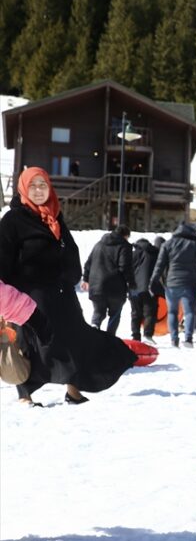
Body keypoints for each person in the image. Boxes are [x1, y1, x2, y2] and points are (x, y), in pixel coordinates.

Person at [0, 167, 135, 405]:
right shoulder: (12, 221)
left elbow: (69, 249)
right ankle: (25, 394)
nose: (38, 190)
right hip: (30, 296)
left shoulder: (54, 217)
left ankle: (73, 389)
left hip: (61, 292)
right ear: (23, 189)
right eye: (33, 186)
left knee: (76, 337)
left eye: (43, 185)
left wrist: (70, 274)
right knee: (33, 343)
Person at [151, 222, 196, 349]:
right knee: (189, 312)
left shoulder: (167, 244)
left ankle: (174, 339)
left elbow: (159, 265)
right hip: (189, 283)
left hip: (172, 284)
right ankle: (188, 339)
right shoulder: (194, 244)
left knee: (172, 312)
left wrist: (153, 281)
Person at [81, 225, 134, 336]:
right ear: (125, 236)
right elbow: (124, 267)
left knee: (98, 312)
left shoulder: (99, 244)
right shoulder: (124, 246)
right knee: (115, 314)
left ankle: (94, 331)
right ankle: (110, 338)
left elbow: (88, 264)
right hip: (116, 287)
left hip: (96, 286)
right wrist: (131, 282)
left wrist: (85, 279)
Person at [129, 235, 159, 343]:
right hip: (149, 288)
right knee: (149, 311)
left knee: (135, 313)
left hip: (134, 288)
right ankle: (148, 334)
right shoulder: (154, 253)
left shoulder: (133, 254)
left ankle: (136, 336)